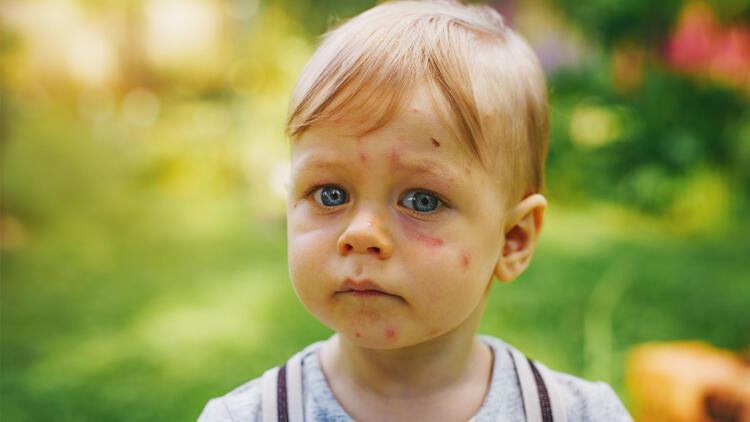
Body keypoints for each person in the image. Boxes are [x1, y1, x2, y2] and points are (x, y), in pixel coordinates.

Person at [199, 0, 632, 420]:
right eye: (330, 193)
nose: (362, 233)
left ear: (512, 239)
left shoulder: (578, 414)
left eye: (422, 200)